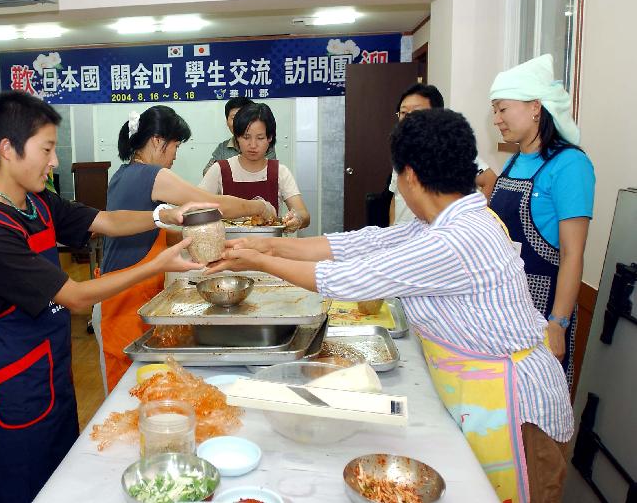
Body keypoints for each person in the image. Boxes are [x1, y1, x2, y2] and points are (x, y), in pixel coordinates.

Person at [209, 109, 573, 503]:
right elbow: (357, 244)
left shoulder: (455, 239)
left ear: (410, 175)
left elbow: (347, 279)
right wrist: (266, 243)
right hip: (484, 392)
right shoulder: (439, 221)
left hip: (517, 406)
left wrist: (258, 261)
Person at [0, 92, 211, 503]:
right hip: (14, 385)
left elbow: (104, 220)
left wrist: (163, 215)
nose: (54, 161)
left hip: (53, 371)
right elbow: (77, 297)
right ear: (7, 149)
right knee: (20, 488)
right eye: (47, 149)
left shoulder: (38, 203)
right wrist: (157, 265)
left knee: (61, 480)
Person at [100, 106, 278, 391]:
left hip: (119, 294)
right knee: (130, 389)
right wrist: (259, 205)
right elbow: (212, 204)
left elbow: (146, 233)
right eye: (176, 146)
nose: (175, 155)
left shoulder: (123, 174)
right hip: (127, 302)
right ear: (158, 141)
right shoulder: (152, 175)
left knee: (135, 386)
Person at [488, 53, 595, 386]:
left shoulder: (570, 165)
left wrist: (557, 323)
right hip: (501, 307)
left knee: (536, 410)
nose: (496, 119)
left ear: (535, 107)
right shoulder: (515, 162)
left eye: (502, 109)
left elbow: (572, 253)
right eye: (494, 111)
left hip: (539, 311)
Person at [388, 84, 497, 225]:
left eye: (416, 112)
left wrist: (473, 216)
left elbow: (490, 180)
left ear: (436, 114)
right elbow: (395, 196)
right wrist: (391, 227)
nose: (408, 118)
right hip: (406, 232)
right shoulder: (402, 150)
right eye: (403, 113)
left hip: (435, 233)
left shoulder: (448, 151)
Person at [199, 102, 310, 232]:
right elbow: (197, 207)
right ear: (237, 137)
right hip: (230, 248)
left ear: (270, 138)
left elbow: (304, 214)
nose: (252, 145)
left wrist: (297, 219)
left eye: (260, 138)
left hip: (270, 248)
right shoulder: (220, 169)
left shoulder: (280, 172)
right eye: (246, 137)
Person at [202, 96, 276, 175]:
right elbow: (208, 173)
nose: (253, 145)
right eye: (234, 118)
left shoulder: (264, 146)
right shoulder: (223, 148)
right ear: (227, 121)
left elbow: (269, 174)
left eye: (243, 118)